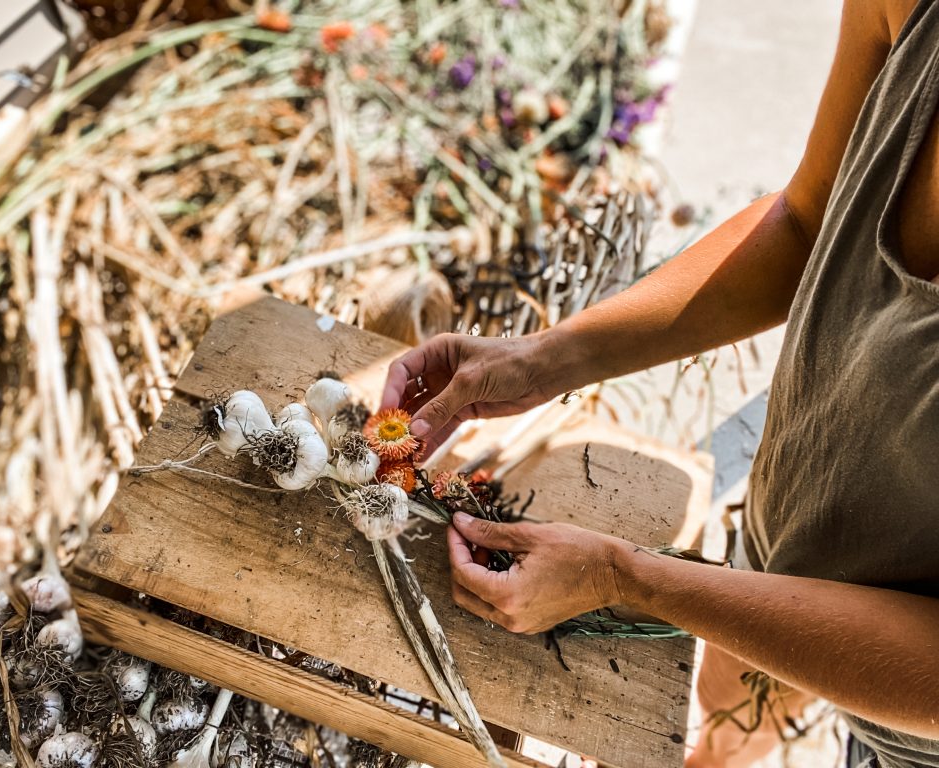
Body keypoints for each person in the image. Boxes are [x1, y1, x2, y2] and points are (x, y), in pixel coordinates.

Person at [380, 0, 939, 766]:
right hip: (787, 535)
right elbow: (809, 221)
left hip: (916, 724)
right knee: (734, 702)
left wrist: (627, 577)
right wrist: (547, 357)